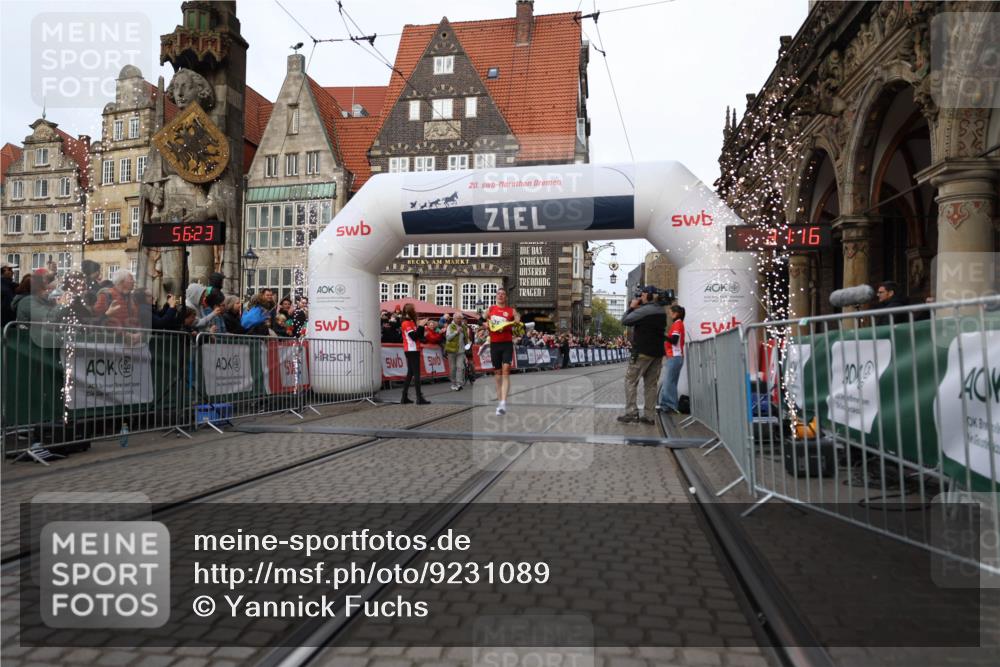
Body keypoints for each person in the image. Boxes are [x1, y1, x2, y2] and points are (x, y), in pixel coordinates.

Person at [618, 286, 667, 425]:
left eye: (643, 295)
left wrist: (632, 308)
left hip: (643, 352)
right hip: (657, 353)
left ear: (649, 296)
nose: (641, 298)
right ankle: (650, 415)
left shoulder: (644, 310)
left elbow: (625, 321)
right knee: (651, 385)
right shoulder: (662, 311)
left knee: (630, 381)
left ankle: (631, 413)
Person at [485, 287, 519, 415]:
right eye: (498, 294)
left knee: (506, 371)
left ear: (506, 297)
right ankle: (500, 403)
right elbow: (482, 318)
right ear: (496, 296)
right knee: (498, 374)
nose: (500, 296)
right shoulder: (490, 309)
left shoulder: (511, 310)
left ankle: (504, 402)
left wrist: (516, 321)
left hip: (506, 344)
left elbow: (517, 320)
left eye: (503, 294)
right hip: (494, 344)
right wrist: (484, 323)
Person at [657, 305, 686, 414]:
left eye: (670, 312)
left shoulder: (677, 324)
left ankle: (667, 405)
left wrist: (662, 335)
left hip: (674, 356)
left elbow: (674, 340)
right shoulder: (677, 323)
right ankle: (670, 405)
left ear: (676, 313)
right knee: (671, 382)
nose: (669, 314)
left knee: (669, 382)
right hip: (675, 356)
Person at [399, 303, 430, 404]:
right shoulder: (406, 323)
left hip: (413, 349)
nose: (415, 312)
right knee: (416, 374)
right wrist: (421, 326)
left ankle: (404, 397)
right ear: (410, 311)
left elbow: (418, 336)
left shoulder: (411, 322)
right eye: (414, 310)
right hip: (411, 350)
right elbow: (413, 336)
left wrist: (422, 329)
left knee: (410, 373)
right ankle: (419, 398)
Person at [445, 311, 471, 391]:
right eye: (458, 318)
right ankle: (453, 383)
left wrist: (468, 343)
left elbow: (466, 338)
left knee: (460, 367)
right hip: (452, 351)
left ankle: (459, 384)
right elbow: (448, 338)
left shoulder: (464, 327)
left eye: (461, 318)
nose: (459, 320)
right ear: (454, 318)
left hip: (461, 351)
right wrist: (456, 332)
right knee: (453, 368)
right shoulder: (450, 326)